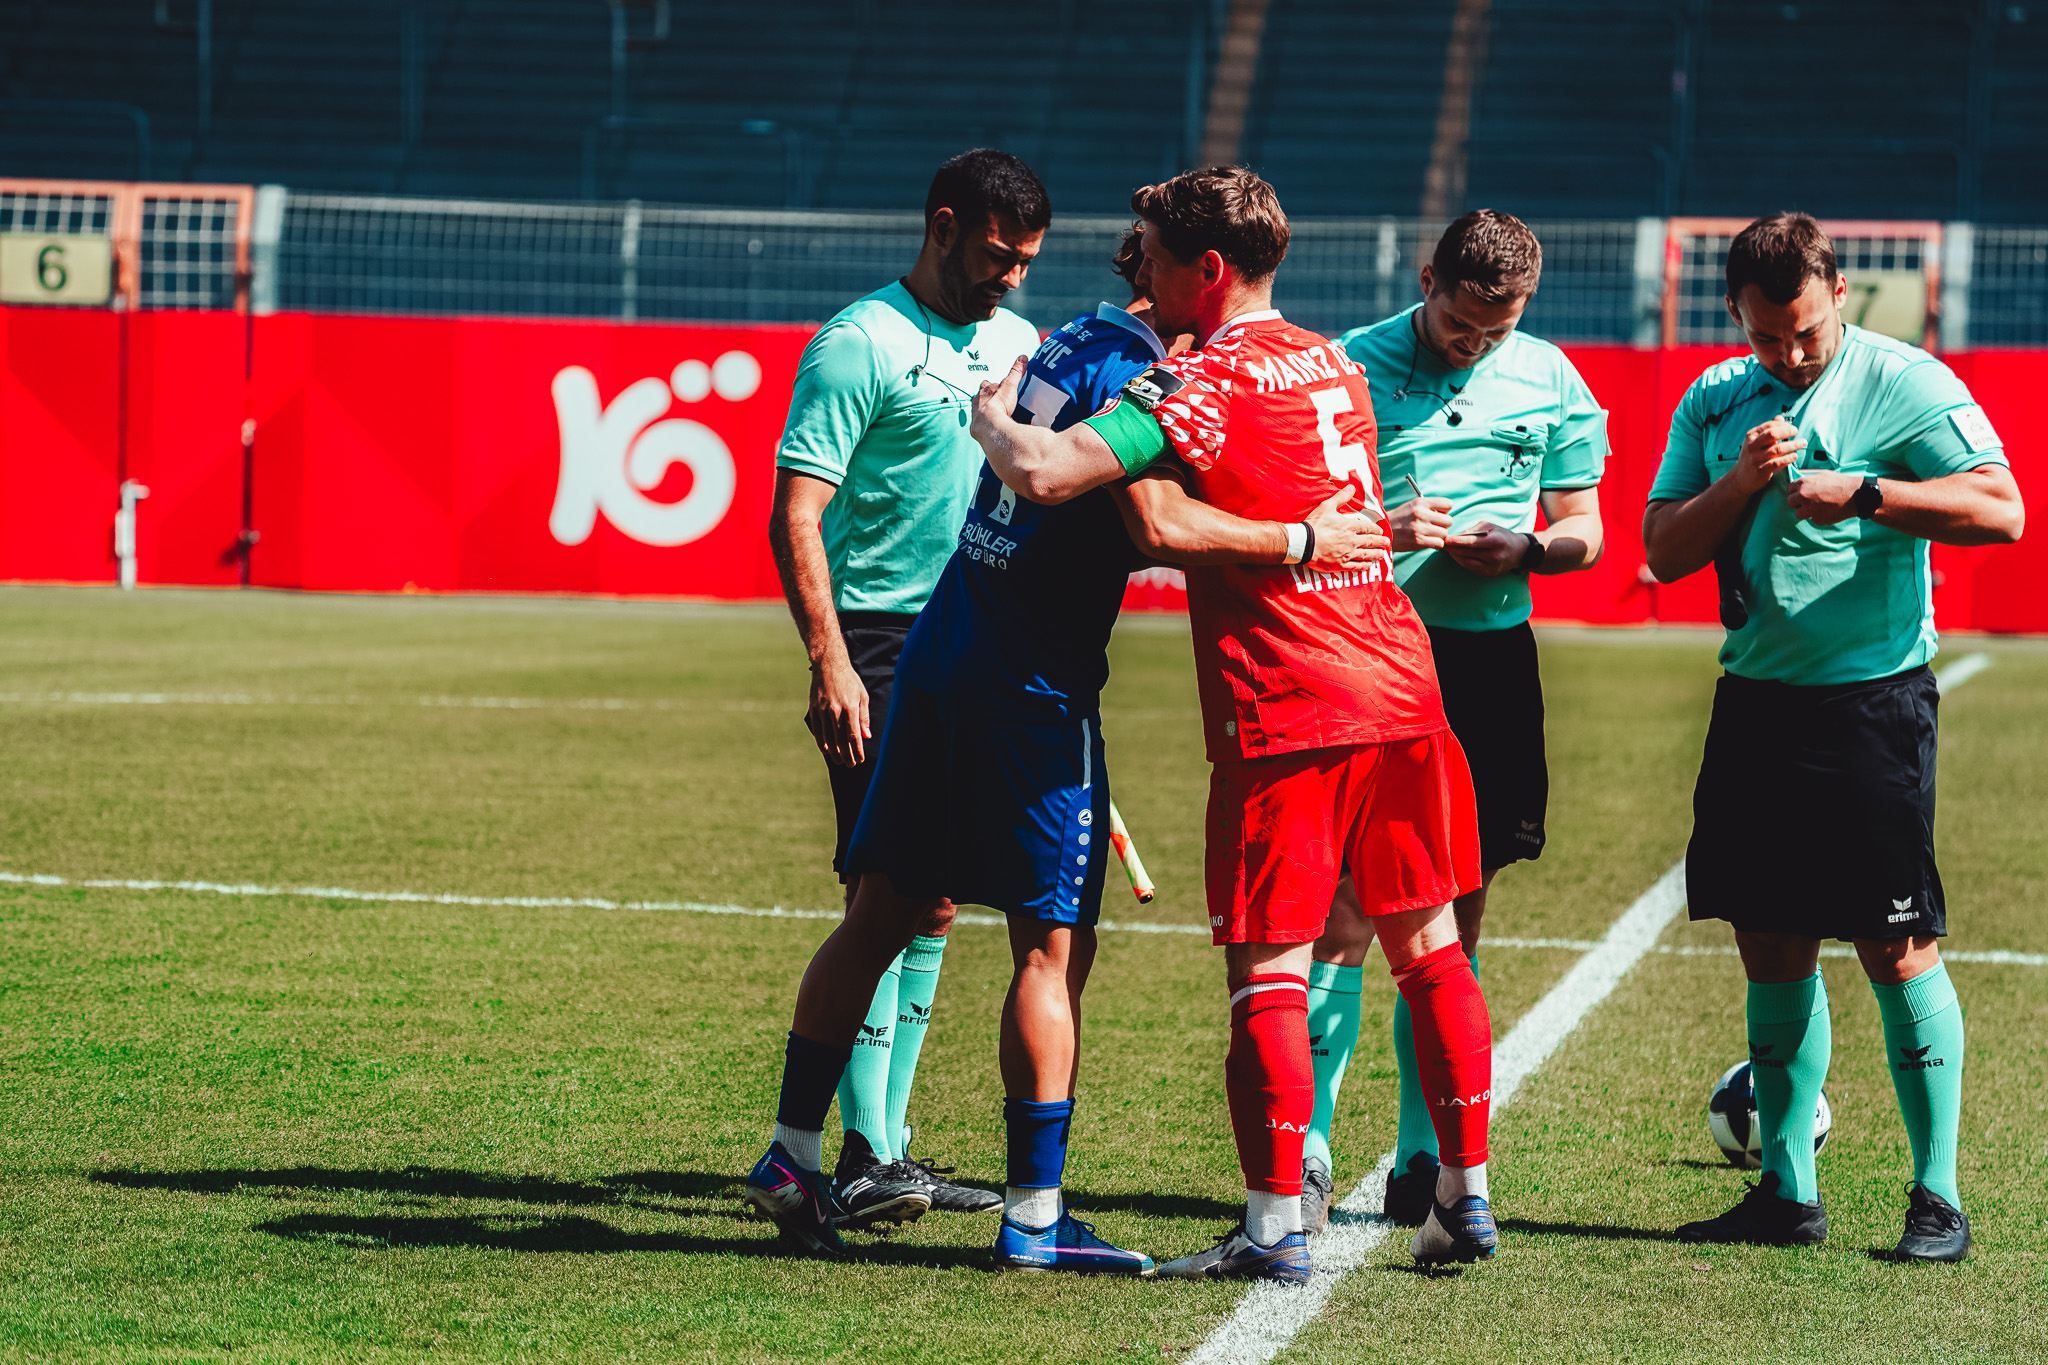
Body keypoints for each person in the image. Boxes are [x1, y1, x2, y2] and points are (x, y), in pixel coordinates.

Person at [743, 219, 1387, 1271]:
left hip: (944, 647)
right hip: (1030, 684)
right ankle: (1035, 1217)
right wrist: (1306, 538)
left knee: (881, 909)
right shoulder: (1143, 374)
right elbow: (1156, 528)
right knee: (1051, 948)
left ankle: (792, 1152)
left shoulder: (1065, 339)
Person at [965, 166, 1498, 1280]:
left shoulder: (1200, 377)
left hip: (1289, 700)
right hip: (1401, 685)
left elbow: (1051, 474)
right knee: (1431, 948)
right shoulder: (1332, 360)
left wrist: (991, 414)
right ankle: (1466, 1193)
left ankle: (1271, 1228)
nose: (1141, 276)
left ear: (1207, 269)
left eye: (1154, 257)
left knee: (1268, 972)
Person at [1643, 213, 2023, 1262]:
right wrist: (1739, 483)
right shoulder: (1714, 399)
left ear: (1839, 295)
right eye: (1766, 335)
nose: (1790, 354)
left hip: (1870, 705)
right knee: (1769, 941)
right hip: (1753, 704)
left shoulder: (1903, 381)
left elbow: (2002, 510)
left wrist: (1863, 493)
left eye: (1805, 330)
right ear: (1735, 314)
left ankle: (1936, 1199)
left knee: (1893, 946)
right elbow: (1662, 550)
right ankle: (1786, 1192)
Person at [1298, 210, 1608, 1232]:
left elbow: (1586, 531)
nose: (1474, 344)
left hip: (1489, 667)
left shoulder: (1550, 376)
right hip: (1371, 655)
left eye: (1496, 329)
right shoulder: (1345, 368)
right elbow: (1300, 521)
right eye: (1459, 323)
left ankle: (1421, 1160)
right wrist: (1383, 531)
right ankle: (1309, 1153)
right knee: (1348, 907)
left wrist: (1530, 548)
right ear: (1426, 277)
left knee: (1453, 915)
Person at [766, 148, 1046, 1228]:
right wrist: (830, 660)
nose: (1009, 278)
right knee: (885, 893)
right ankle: (849, 1153)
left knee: (933, 899)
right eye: (996, 255)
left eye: (1024, 261)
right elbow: (797, 514)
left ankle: (878, 1150)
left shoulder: (1018, 344)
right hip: (880, 644)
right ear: (941, 226)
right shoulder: (860, 343)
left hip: (974, 647)